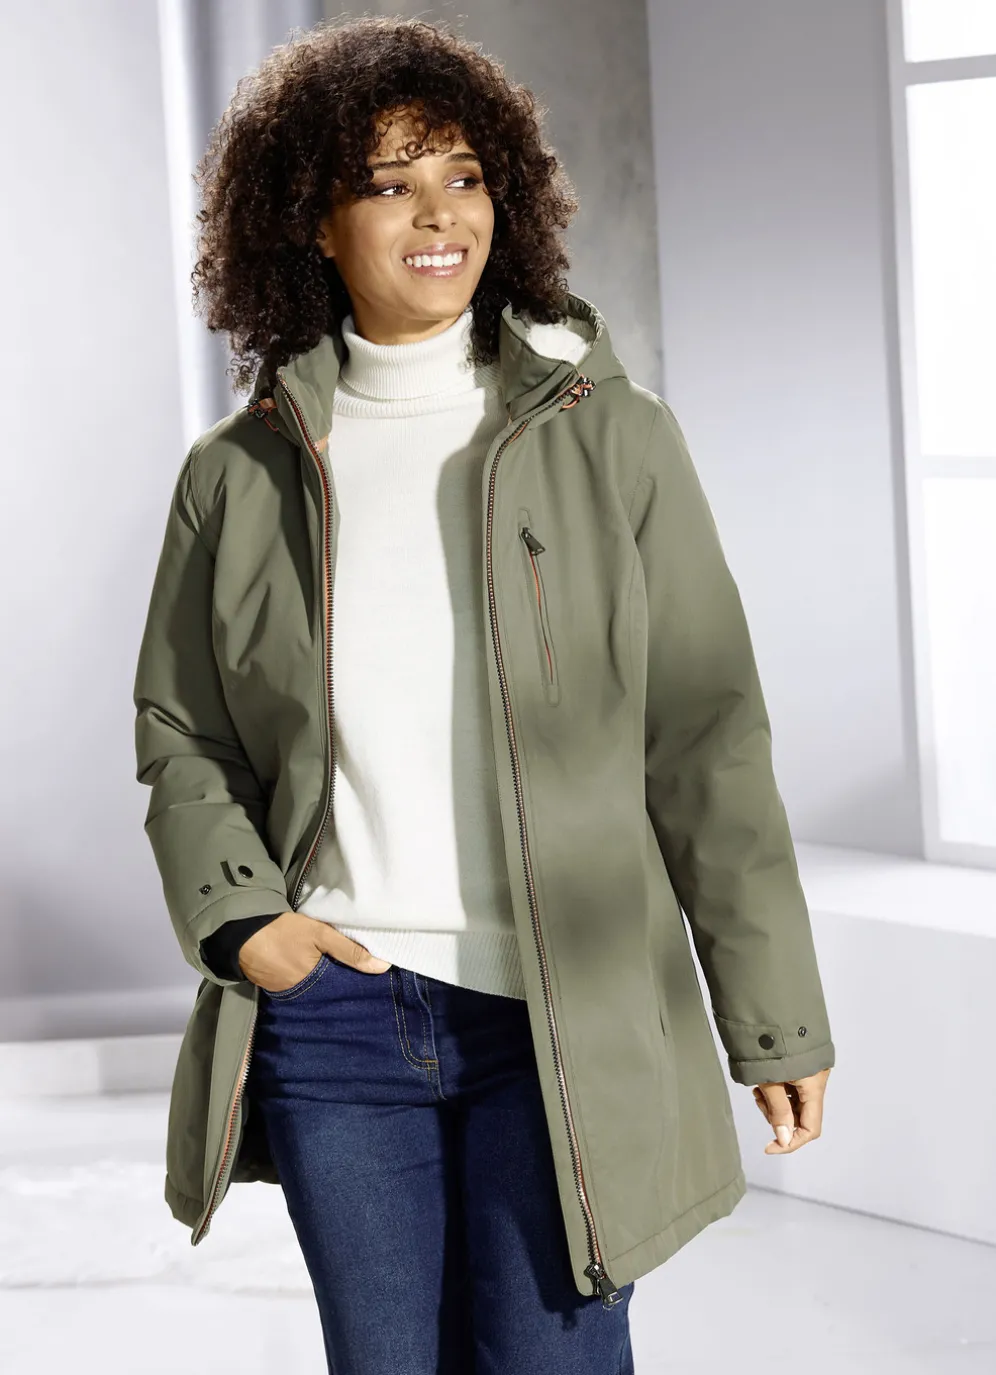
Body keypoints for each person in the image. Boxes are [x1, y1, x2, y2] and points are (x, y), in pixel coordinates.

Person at [132, 15, 834, 1375]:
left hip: (561, 1009)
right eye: (388, 184)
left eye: (462, 175)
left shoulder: (613, 436)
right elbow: (185, 733)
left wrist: (774, 1012)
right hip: (336, 1011)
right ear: (312, 223)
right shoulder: (238, 473)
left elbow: (704, 738)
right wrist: (251, 926)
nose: (437, 214)